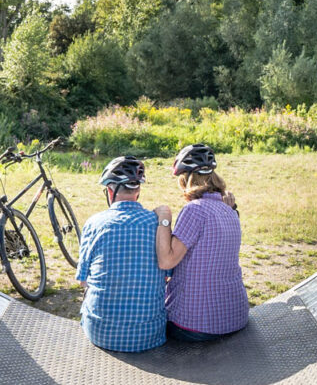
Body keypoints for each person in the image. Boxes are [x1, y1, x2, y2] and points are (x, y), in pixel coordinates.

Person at [154, 143, 249, 342]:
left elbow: (167, 261)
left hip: (195, 325)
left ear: (185, 179)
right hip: (234, 318)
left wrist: (164, 220)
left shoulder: (194, 210)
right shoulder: (229, 211)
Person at [76, 155, 166, 352]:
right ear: (138, 190)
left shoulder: (94, 223)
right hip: (149, 335)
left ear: (110, 190)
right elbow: (168, 274)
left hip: (99, 332)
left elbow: (83, 280)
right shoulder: (156, 223)